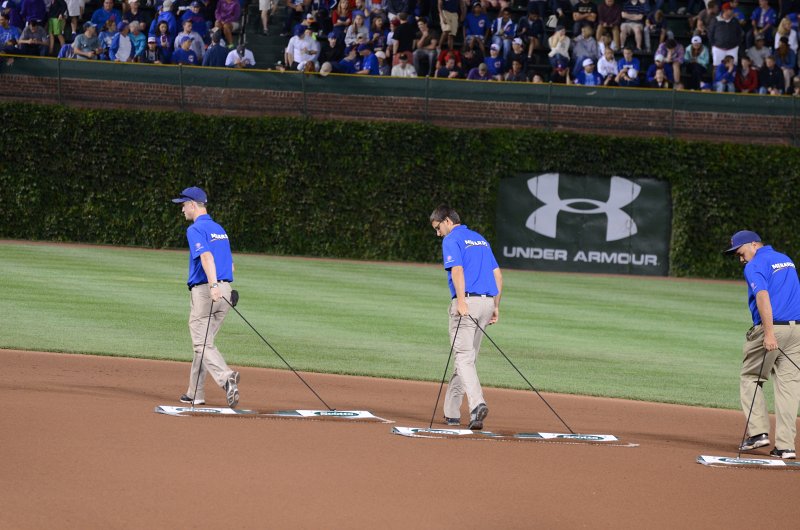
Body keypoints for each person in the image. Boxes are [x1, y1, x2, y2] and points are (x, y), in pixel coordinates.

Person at [724, 230, 800, 460]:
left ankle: (758, 433)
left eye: (740, 252)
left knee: (750, 377)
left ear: (753, 245)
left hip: (772, 328)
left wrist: (768, 334)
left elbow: (763, 297)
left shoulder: (755, 265)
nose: (741, 259)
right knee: (789, 387)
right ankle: (786, 446)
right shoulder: (786, 259)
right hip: (796, 329)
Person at [430, 204, 502, 430]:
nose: (438, 232)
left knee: (463, 357)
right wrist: (496, 306)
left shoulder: (451, 240)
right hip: (487, 303)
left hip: (467, 303)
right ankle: (452, 413)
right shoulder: (480, 239)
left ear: (448, 221)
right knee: (466, 358)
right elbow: (497, 274)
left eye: (438, 227)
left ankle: (476, 405)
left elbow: (457, 270)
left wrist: (461, 301)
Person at [172, 186, 240, 409]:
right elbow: (230, 264)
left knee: (201, 343)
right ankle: (195, 393)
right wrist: (224, 288)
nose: (182, 210)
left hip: (207, 292)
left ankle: (226, 377)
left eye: (183, 205)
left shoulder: (195, 229)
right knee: (205, 345)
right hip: (226, 292)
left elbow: (208, 258)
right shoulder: (219, 229)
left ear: (193, 204)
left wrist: (212, 286)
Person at [709, 2, 743, 67]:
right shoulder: (715, 20)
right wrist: (714, 44)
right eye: (730, 9)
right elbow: (710, 33)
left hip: (732, 48)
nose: (732, 11)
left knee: (733, 67)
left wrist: (737, 44)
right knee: (716, 67)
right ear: (725, 10)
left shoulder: (735, 21)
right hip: (718, 48)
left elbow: (739, 33)